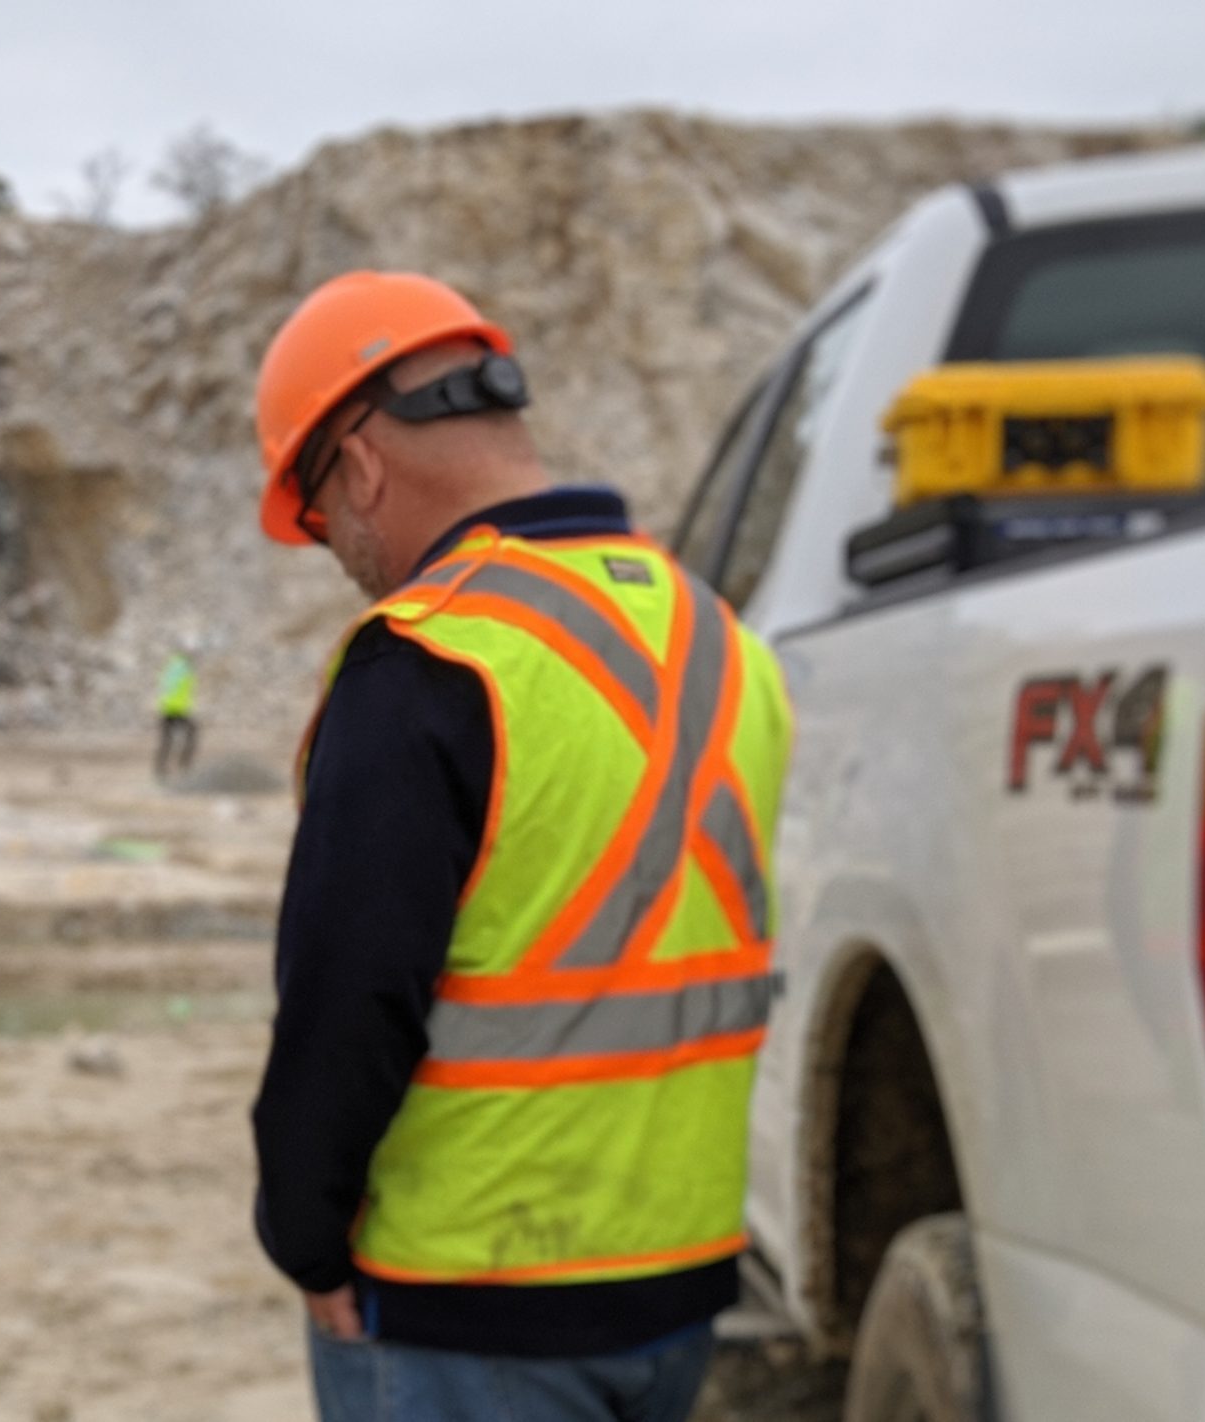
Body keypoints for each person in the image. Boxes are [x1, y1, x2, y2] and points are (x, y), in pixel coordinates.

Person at [244, 271, 794, 1422]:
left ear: (358, 464)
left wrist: (304, 1239)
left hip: (466, 1303)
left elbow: (349, 1000)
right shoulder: (720, 636)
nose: (337, 550)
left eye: (319, 517)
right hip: (679, 1287)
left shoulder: (432, 660)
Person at [154, 646, 200, 781]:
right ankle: (184, 766)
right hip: (178, 709)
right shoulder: (184, 669)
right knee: (191, 735)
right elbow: (180, 689)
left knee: (166, 740)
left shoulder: (171, 667)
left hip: (166, 708)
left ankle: (161, 768)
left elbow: (165, 687)